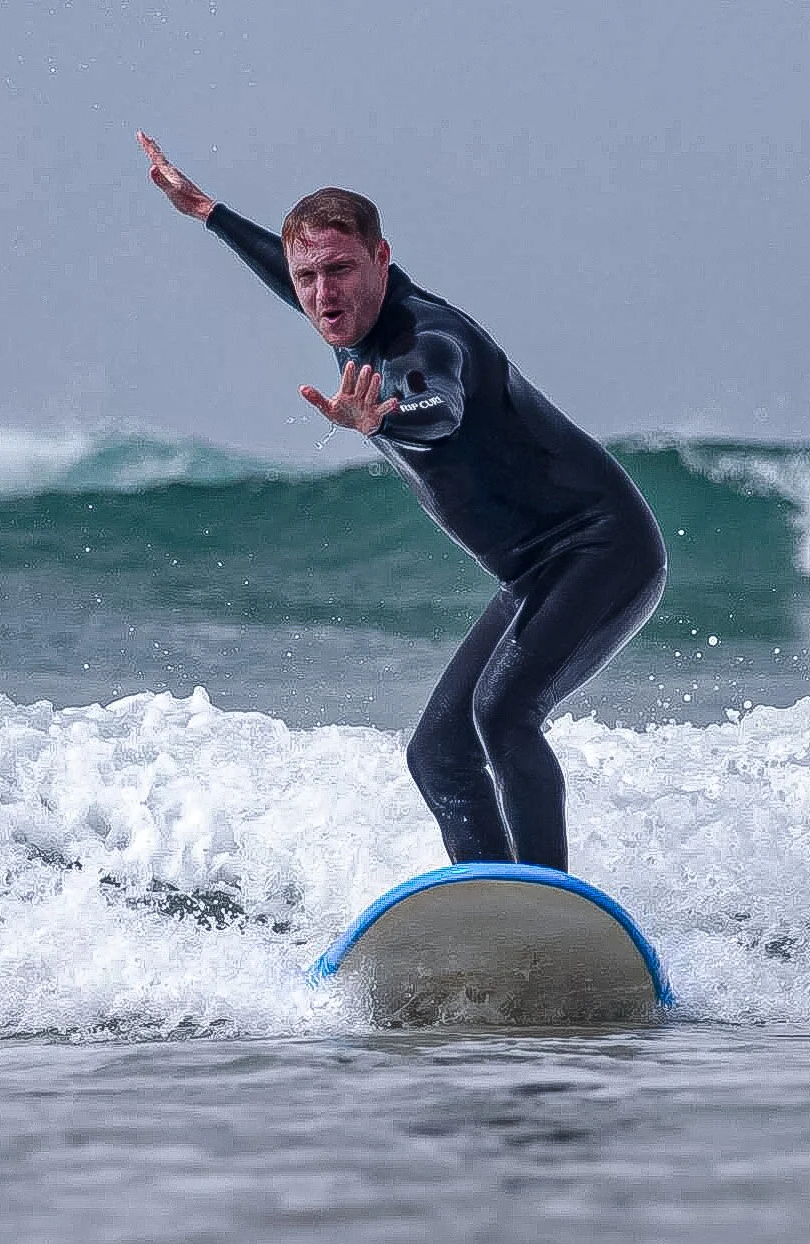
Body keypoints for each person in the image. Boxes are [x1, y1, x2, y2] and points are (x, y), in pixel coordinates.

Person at [139, 132, 666, 872]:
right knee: (438, 755)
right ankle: (493, 902)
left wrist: (383, 417)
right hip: (536, 573)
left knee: (503, 715)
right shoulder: (339, 311)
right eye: (308, 276)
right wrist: (206, 211)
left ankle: (552, 902)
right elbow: (288, 267)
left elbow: (442, 404)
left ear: (383, 259)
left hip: (602, 548)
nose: (323, 294)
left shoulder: (426, 337)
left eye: (342, 270)